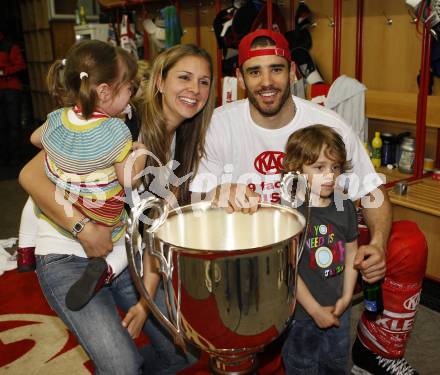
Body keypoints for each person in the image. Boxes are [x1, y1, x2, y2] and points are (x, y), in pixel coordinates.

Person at [190, 29, 427, 374]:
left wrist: (376, 243)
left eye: (277, 69)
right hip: (255, 257)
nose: (266, 81)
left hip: (320, 242)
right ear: (240, 77)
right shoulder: (219, 125)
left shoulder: (328, 123)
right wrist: (217, 193)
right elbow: (195, 195)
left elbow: (372, 191)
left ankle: (376, 349)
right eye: (255, 72)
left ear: (293, 71)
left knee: (408, 244)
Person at [18, 43, 215, 374]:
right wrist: (84, 229)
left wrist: (144, 302)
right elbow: (30, 174)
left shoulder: (183, 141)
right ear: (159, 81)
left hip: (123, 253)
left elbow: (151, 225)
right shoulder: (118, 118)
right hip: (68, 251)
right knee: (122, 366)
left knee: (186, 350)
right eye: (184, 77)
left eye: (205, 81)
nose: (194, 90)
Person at [17, 40, 146, 312]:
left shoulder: (57, 118)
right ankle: (107, 270)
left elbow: (35, 139)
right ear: (105, 91)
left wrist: (63, 153)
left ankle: (25, 252)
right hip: (102, 214)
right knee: (129, 240)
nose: (131, 95)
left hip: (67, 204)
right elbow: (128, 179)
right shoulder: (115, 132)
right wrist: (140, 153)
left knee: (37, 197)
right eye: (129, 88)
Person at [280, 125, 359, 373]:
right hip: (301, 315)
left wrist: (346, 298)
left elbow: (352, 253)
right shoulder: (291, 211)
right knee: (302, 366)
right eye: (319, 167)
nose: (330, 176)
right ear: (297, 169)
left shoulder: (343, 205)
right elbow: (289, 268)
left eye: (335, 167)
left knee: (335, 364)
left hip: (338, 309)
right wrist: (314, 310)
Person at [0, 29, 26, 165]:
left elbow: (21, 65)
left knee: (14, 124)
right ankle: (5, 156)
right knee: (2, 125)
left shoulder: (10, 46)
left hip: (11, 88)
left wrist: (4, 71)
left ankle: (16, 157)